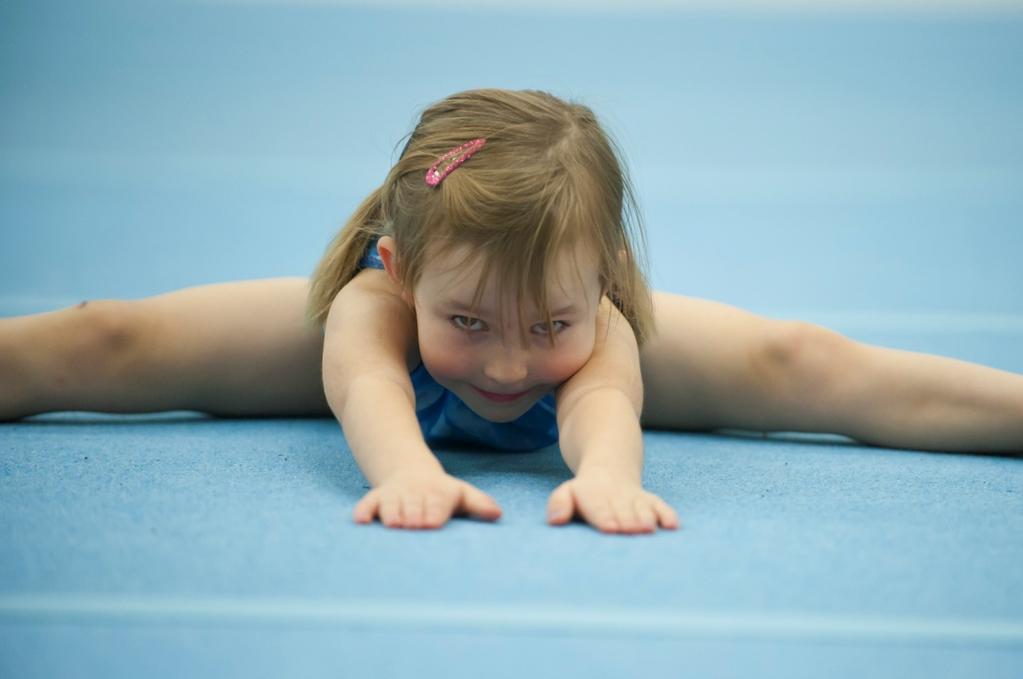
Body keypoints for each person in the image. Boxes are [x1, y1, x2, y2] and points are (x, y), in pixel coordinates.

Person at [2, 89, 1021, 535]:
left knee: (805, 360)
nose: (505, 368)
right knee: (109, 336)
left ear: (608, 280)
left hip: (583, 321)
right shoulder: (376, 308)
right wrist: (411, 477)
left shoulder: (601, 324)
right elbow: (366, 390)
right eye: (472, 323)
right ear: (400, 271)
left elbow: (599, 408)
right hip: (341, 338)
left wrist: (610, 480)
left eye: (548, 325)